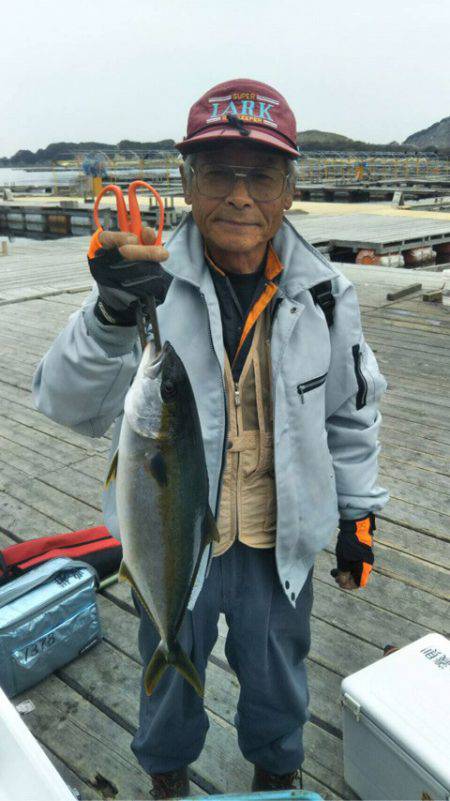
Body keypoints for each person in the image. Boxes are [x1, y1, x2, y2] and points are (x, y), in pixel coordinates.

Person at [32, 78, 389, 798]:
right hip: (169, 539)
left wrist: (358, 514)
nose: (239, 195)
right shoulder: (146, 282)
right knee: (167, 678)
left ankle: (276, 771)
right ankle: (167, 776)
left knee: (279, 677)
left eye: (261, 175)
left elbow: (350, 414)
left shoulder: (327, 295)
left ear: (289, 190)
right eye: (219, 172)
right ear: (188, 183)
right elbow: (64, 401)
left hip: (277, 540)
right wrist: (109, 312)